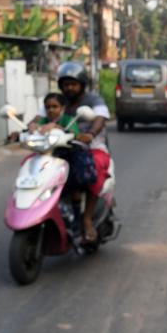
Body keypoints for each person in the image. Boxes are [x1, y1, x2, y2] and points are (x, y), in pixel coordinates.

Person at [55, 62, 111, 243]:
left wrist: (90, 134)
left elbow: (100, 117)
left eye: (73, 84)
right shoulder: (59, 102)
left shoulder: (94, 100)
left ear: (82, 84)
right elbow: (41, 116)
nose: (69, 88)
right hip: (63, 147)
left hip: (93, 147)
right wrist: (29, 127)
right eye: (65, 84)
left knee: (92, 169)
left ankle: (87, 220)